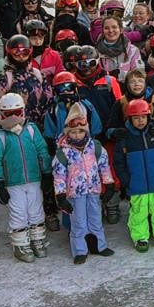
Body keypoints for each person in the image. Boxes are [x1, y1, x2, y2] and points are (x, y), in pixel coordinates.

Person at [0, 93, 51, 261]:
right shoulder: (0, 136)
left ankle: (37, 239)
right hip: (13, 182)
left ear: (23, 112)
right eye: (8, 114)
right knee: (19, 213)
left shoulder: (31, 129)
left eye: (17, 113)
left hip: (34, 178)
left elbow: (42, 150)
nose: (13, 118)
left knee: (36, 210)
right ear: (1, 115)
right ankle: (21, 244)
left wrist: (46, 173)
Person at [51, 103, 115, 264]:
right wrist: (60, 196)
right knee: (78, 222)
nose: (77, 135)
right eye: (73, 132)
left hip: (93, 190)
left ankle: (99, 246)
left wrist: (109, 184)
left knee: (96, 218)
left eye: (80, 131)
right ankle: (80, 250)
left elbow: (104, 166)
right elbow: (59, 176)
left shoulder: (95, 147)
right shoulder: (63, 152)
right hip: (75, 194)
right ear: (67, 132)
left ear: (86, 131)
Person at [117, 98, 154, 253]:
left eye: (143, 117)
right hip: (136, 185)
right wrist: (127, 181)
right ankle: (140, 237)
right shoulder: (125, 139)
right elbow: (119, 163)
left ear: (148, 117)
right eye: (136, 118)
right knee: (138, 212)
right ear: (130, 119)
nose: (140, 121)